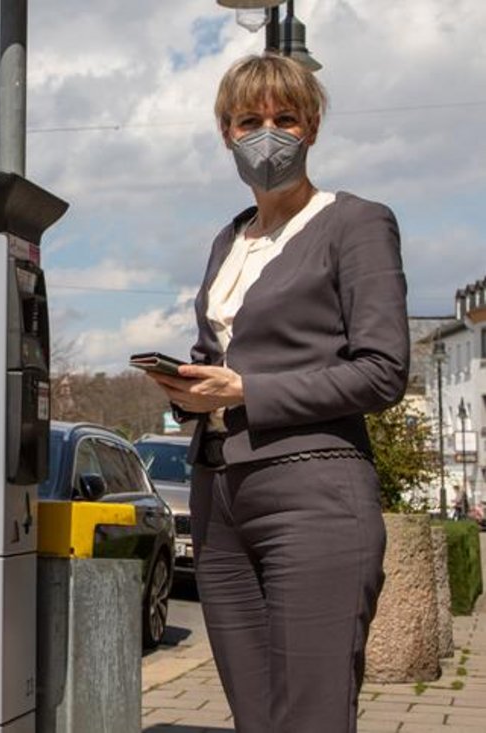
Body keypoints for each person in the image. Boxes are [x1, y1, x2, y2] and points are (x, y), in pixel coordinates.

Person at [147, 54, 408, 733]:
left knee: (311, 717)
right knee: (256, 718)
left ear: (311, 127)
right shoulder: (227, 239)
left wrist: (248, 389)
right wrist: (187, 389)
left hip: (313, 492)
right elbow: (218, 360)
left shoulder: (355, 222)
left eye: (284, 118)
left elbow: (383, 371)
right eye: (249, 120)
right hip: (218, 497)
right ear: (225, 133)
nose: (268, 134)